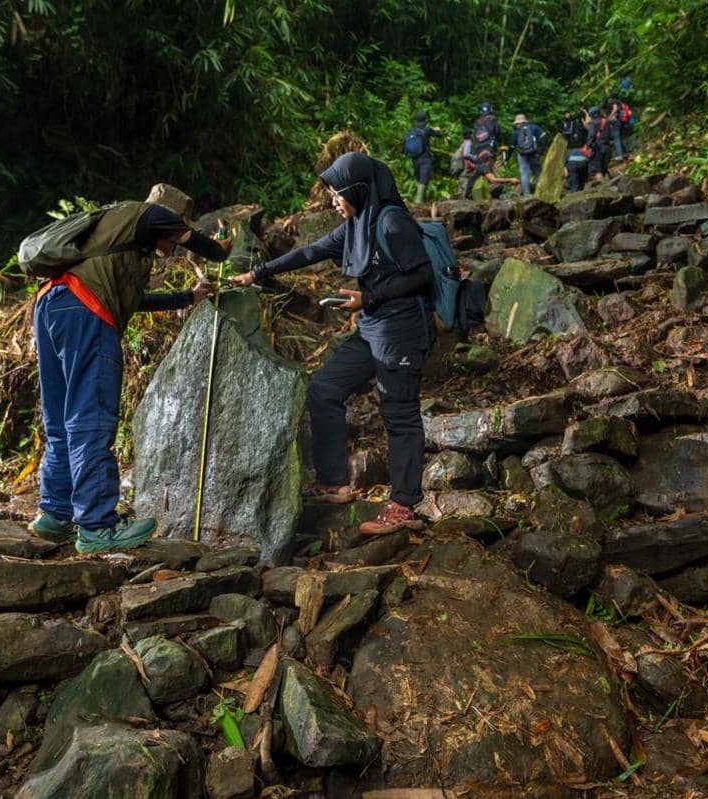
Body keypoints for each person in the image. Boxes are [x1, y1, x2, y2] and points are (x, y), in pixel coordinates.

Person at [230, 153, 433, 535]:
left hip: (402, 331)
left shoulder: (392, 222)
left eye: (337, 193)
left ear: (357, 188)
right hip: (373, 328)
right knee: (324, 389)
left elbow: (421, 275)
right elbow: (310, 252)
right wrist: (257, 272)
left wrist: (368, 299)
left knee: (399, 413)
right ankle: (336, 482)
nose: (333, 201)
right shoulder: (356, 223)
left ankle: (404, 506)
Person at [29, 186, 232, 553]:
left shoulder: (119, 240)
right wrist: (219, 250)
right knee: (91, 418)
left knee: (61, 418)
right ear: (172, 223)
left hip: (53, 306)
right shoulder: (144, 215)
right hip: (87, 314)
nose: (172, 247)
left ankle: (56, 514)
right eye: (175, 236)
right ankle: (97, 526)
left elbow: (135, 301)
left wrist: (188, 297)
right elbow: (173, 226)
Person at [403, 112, 443, 204]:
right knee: (423, 179)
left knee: (418, 178)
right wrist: (438, 130)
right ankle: (418, 201)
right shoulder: (427, 130)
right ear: (426, 120)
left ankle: (419, 200)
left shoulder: (411, 131)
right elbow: (439, 135)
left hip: (414, 159)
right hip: (425, 158)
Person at [511, 114, 545, 196]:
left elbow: (511, 147)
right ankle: (539, 192)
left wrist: (507, 158)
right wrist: (541, 151)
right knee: (537, 173)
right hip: (534, 153)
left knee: (524, 173)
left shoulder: (516, 133)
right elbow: (544, 137)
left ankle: (526, 194)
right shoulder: (534, 128)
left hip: (522, 155)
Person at [585, 106, 612, 183]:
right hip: (607, 148)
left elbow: (591, 137)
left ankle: (602, 189)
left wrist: (589, 146)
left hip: (597, 150)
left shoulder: (593, 124)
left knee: (597, 170)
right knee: (604, 169)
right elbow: (610, 135)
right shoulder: (606, 121)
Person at [453, 127, 474, 198]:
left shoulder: (464, 142)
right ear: (470, 135)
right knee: (465, 177)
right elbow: (466, 154)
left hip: (461, 163)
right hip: (465, 163)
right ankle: (463, 196)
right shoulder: (468, 142)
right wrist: (475, 157)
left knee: (462, 177)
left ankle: (460, 194)